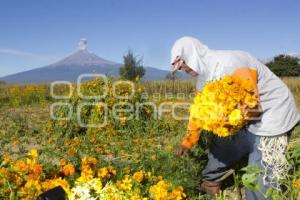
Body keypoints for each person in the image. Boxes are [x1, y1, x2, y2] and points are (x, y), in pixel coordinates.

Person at [171, 36, 300, 199]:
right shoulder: (202, 80)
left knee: (259, 176)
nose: (184, 70)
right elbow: (198, 112)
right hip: (245, 118)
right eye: (180, 68)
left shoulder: (232, 63)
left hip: (273, 114)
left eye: (183, 65)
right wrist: (188, 141)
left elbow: (252, 105)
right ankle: (210, 182)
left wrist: (226, 121)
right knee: (222, 145)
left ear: (193, 54)